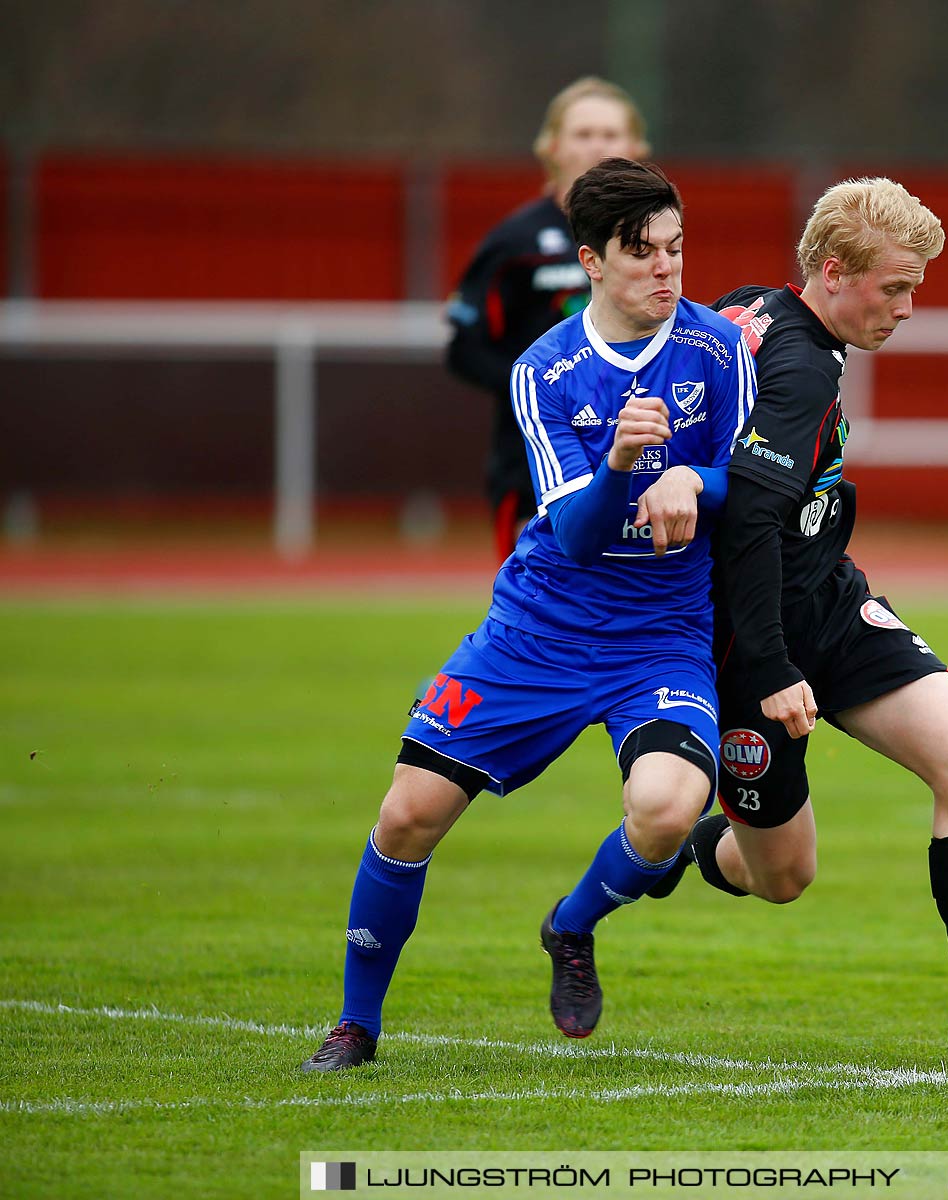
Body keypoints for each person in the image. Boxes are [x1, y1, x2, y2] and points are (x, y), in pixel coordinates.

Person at [303, 159, 755, 1070]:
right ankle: (356, 1024)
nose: (666, 270)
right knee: (406, 816)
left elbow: (749, 486)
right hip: (541, 629)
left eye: (676, 249)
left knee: (669, 810)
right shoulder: (545, 369)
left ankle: (571, 923)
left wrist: (687, 475)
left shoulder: (716, 351)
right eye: (642, 254)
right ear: (591, 261)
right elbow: (578, 536)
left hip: (662, 634)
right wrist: (628, 463)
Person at [648, 179, 948, 1061]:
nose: (909, 308)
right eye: (897, 287)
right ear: (834, 272)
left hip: (832, 601)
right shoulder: (800, 364)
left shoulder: (750, 308)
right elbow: (750, 519)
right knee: (785, 878)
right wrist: (765, 668)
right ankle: (695, 848)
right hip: (752, 640)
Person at [445, 77, 652, 563]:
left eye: (610, 134)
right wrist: (547, 390)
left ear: (636, 147)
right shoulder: (513, 243)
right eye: (583, 134)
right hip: (532, 462)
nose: (598, 146)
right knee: (537, 607)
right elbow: (464, 349)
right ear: (552, 147)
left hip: (640, 456)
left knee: (633, 603)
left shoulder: (656, 238)